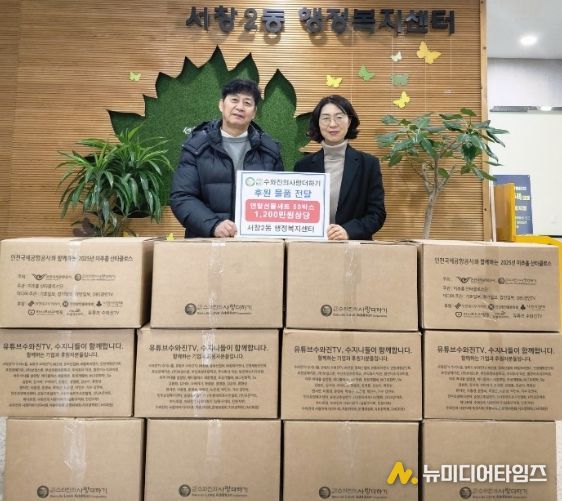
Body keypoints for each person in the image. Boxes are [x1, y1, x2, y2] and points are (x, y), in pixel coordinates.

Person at [170, 79, 284, 237]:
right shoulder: (196, 147)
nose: (240, 107)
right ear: (221, 105)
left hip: (255, 243)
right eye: (234, 100)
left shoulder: (270, 150)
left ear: (254, 112)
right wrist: (214, 225)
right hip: (206, 241)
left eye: (247, 103)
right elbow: (182, 196)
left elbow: (279, 201)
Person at [294, 95, 386, 240]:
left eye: (339, 117)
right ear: (317, 123)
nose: (332, 124)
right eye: (325, 118)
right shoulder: (303, 166)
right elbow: (297, 211)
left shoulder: (368, 164)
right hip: (313, 246)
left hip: (354, 246)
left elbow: (377, 213)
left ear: (349, 121)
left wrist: (349, 231)